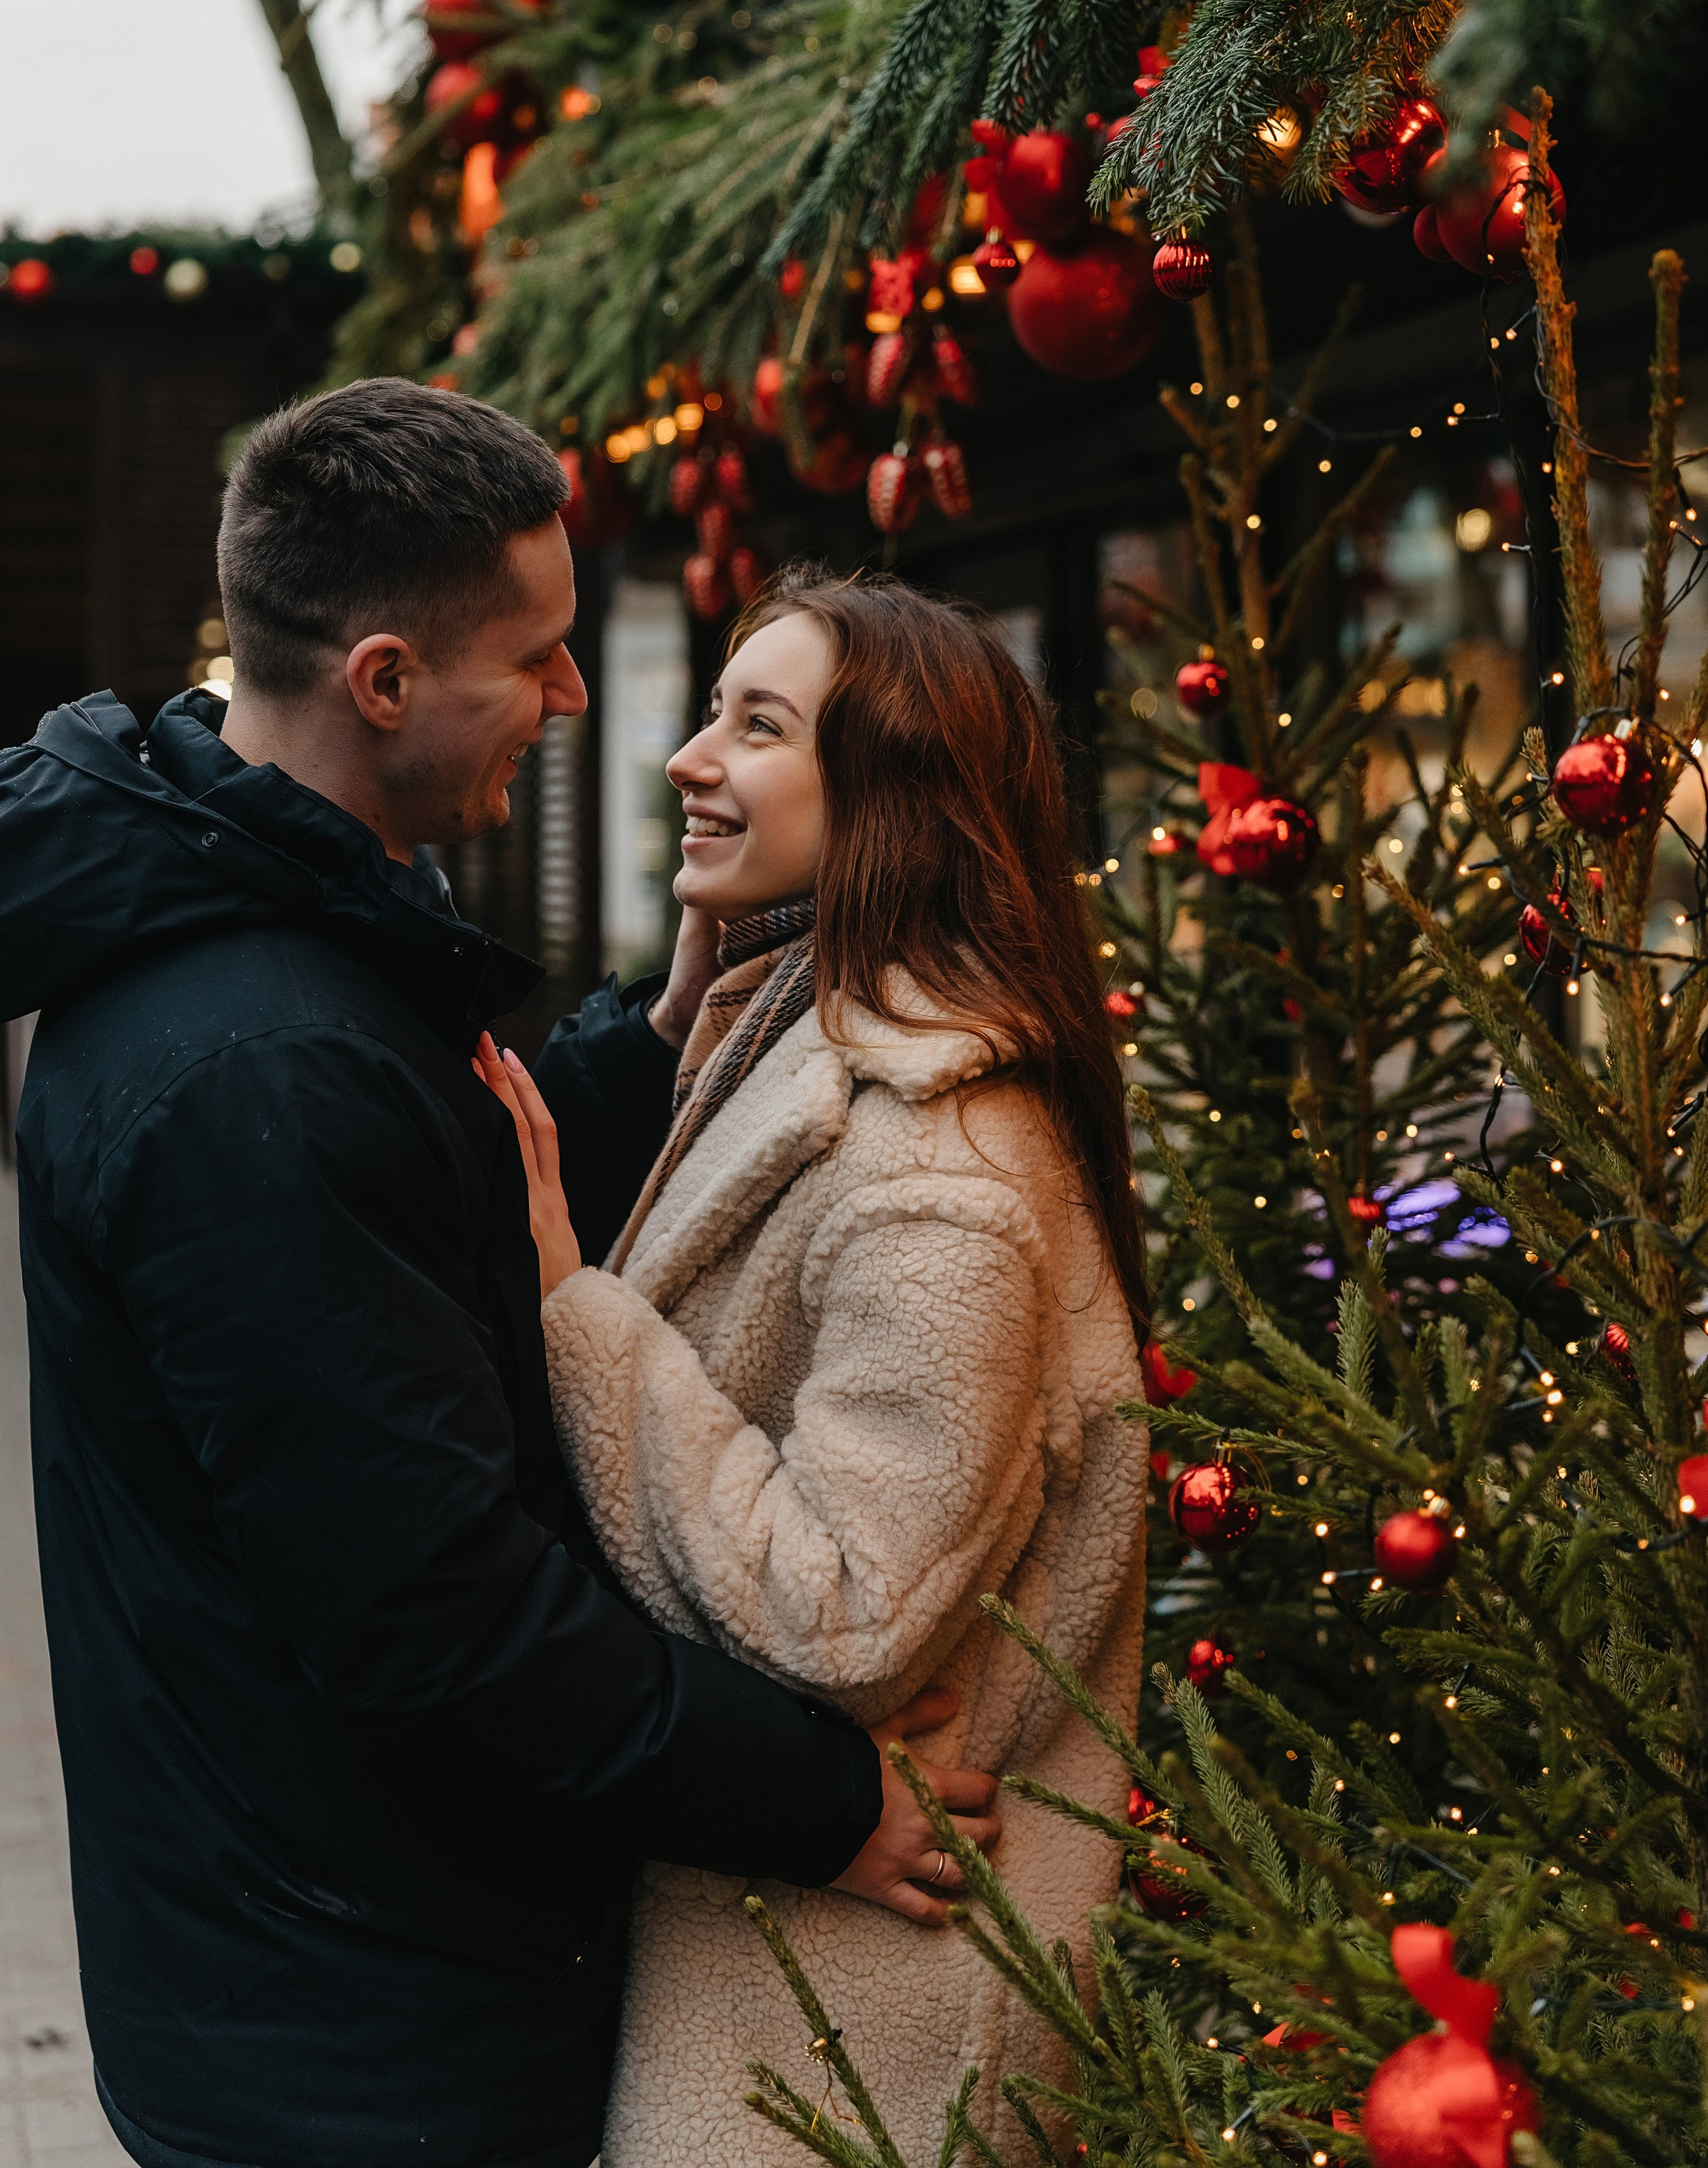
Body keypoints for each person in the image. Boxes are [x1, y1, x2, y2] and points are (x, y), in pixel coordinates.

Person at [0, 383, 997, 2168]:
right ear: (385, 680)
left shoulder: (264, 914)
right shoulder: (257, 1067)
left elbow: (436, 1206)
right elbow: (441, 1632)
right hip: (358, 2042)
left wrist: (659, 1032)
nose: (578, 696)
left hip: (311, 1970)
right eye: (535, 654)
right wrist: (829, 1804)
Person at [481, 566, 1150, 2164]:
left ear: (888, 804)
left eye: (755, 724)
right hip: (786, 1973)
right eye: (712, 708)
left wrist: (571, 1303)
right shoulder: (798, 1032)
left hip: (857, 2030)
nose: (686, 759)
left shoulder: (941, 1179)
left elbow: (844, 1608)